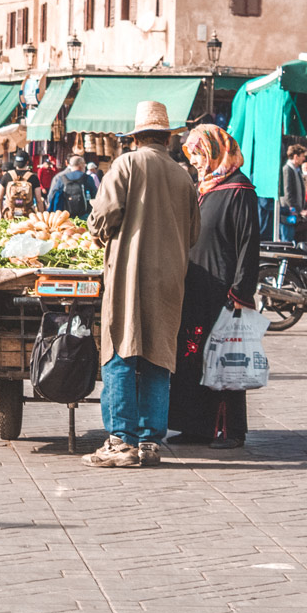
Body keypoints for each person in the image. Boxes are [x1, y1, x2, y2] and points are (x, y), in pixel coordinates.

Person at [83, 102, 200, 469]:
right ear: (167, 137)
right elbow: (193, 233)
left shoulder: (127, 165)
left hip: (129, 276)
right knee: (157, 357)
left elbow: (103, 216)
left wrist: (98, 231)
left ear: (136, 137)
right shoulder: (184, 176)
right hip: (169, 280)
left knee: (120, 350)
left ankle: (121, 442)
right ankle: (150, 442)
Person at [168, 125, 259, 450]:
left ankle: (230, 430)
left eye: (200, 155)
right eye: (192, 157)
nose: (196, 162)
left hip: (223, 293)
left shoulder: (239, 189)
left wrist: (240, 292)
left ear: (216, 151)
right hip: (195, 289)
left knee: (224, 359)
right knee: (192, 356)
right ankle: (195, 426)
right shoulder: (204, 188)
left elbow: (249, 245)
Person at [0, 150, 43, 218]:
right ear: (27, 162)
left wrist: (1, 213)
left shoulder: (7, 176)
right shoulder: (33, 177)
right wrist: (41, 217)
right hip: (28, 215)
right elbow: (39, 200)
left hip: (10, 215)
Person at [279, 144, 307, 240]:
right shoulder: (287, 169)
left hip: (295, 214)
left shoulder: (296, 170)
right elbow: (287, 194)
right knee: (287, 241)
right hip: (288, 214)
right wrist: (298, 210)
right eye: (302, 156)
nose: (304, 159)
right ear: (296, 156)